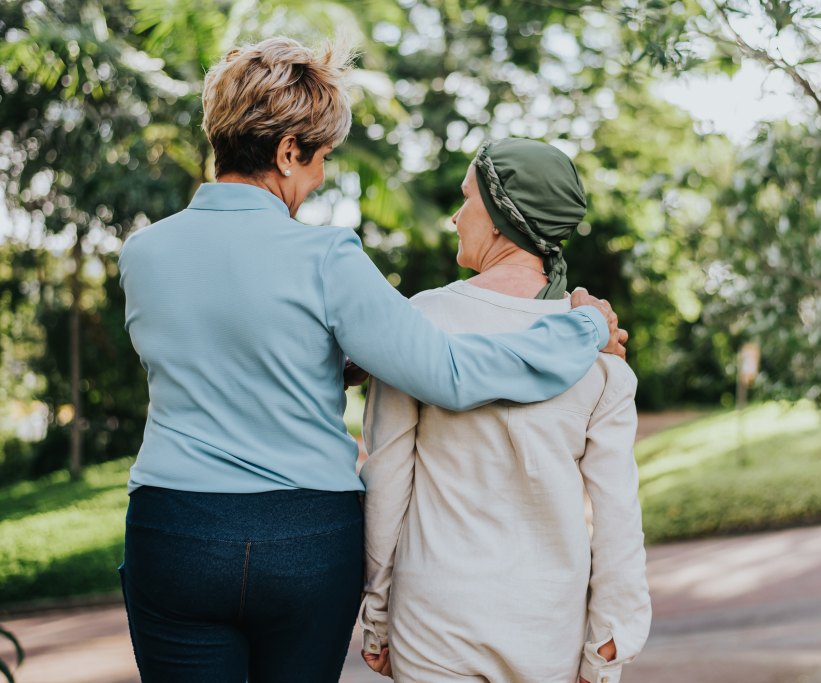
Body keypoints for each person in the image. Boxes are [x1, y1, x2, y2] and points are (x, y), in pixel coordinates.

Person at [116, 38, 626, 683]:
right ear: (287, 151)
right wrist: (583, 327)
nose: (320, 177)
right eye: (321, 158)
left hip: (175, 531)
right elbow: (449, 372)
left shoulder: (144, 254)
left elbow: (226, 353)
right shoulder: (326, 257)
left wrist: (332, 364)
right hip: (302, 541)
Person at [359, 138, 651, 683]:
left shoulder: (419, 324)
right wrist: (609, 642)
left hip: (434, 625)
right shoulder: (600, 354)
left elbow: (385, 483)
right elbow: (617, 516)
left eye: (467, 199)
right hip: (548, 630)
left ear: (497, 216)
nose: (454, 216)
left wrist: (376, 616)